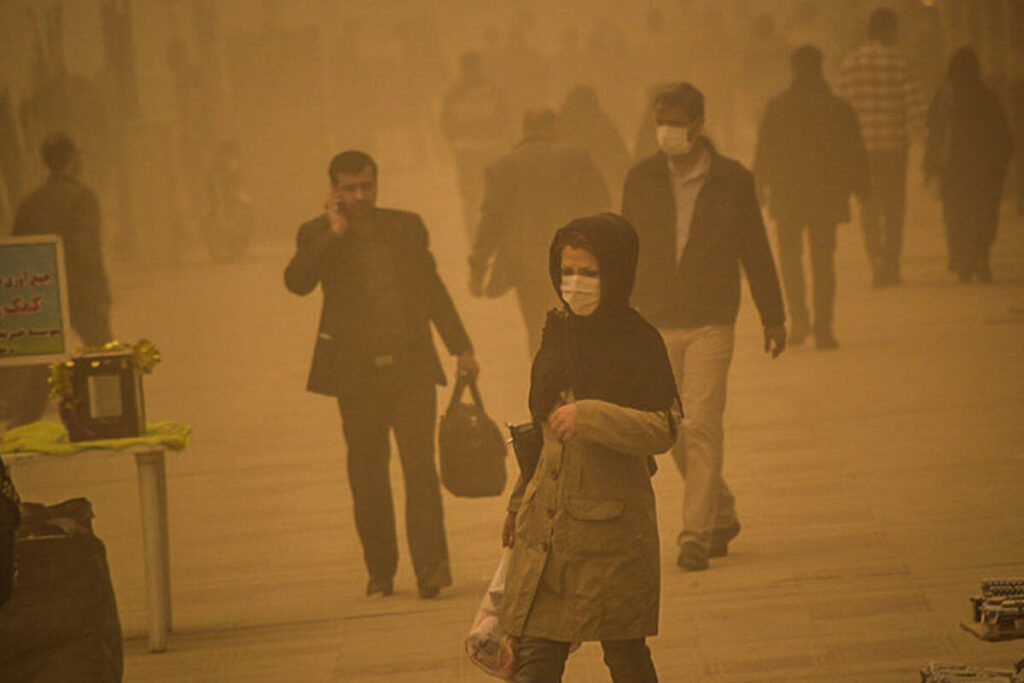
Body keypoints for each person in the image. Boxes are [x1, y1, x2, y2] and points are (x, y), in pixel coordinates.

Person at [284, 150, 478, 599]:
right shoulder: (317, 234)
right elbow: (297, 282)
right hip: (356, 377)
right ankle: (381, 572)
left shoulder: (406, 227)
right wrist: (334, 232)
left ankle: (431, 569)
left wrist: (461, 348)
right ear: (335, 191)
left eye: (367, 186)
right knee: (367, 474)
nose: (360, 196)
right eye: (350, 189)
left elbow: (432, 289)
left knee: (420, 469)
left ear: (376, 184)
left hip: (411, 368)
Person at [499, 213, 680, 683]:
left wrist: (591, 416)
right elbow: (543, 431)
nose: (575, 284)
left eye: (589, 273)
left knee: (626, 657)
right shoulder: (558, 332)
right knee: (535, 661)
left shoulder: (639, 341)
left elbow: (662, 429)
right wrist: (519, 502)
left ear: (615, 273)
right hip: (549, 530)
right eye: (567, 271)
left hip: (612, 537)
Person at [622, 82, 787, 572]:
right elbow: (624, 249)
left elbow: (755, 248)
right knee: (668, 427)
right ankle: (722, 509)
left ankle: (695, 534)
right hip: (655, 319)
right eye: (660, 122)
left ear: (697, 124)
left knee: (702, 422)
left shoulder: (732, 180)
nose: (666, 131)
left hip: (711, 318)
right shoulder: (641, 179)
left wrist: (773, 314)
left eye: (674, 122)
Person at [754, 45, 869, 348]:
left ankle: (799, 320)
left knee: (790, 261)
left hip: (788, 196)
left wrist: (759, 187)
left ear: (793, 69)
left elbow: (765, 151)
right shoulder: (837, 108)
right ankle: (823, 326)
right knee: (823, 261)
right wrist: (861, 187)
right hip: (825, 197)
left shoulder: (778, 107)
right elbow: (853, 150)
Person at [469, 108, 609, 357]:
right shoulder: (576, 158)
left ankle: (547, 377)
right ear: (553, 127)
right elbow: (601, 203)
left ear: (525, 129)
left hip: (527, 267)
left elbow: (491, 222)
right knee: (582, 326)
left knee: (539, 329)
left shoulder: (502, 168)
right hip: (576, 261)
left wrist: (477, 268)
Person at [0, 133, 113, 426]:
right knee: (104, 349)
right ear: (72, 159)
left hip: (44, 292)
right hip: (79, 289)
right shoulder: (82, 197)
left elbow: (18, 251)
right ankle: (110, 411)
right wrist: (100, 290)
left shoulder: (31, 202)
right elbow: (87, 250)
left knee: (43, 355)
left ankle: (26, 418)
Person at [837, 8, 925, 287]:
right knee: (894, 207)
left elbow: (842, 111)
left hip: (862, 152)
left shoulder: (850, 65)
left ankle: (875, 259)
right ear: (887, 30)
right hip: (894, 147)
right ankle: (892, 264)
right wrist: (921, 140)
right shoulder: (899, 63)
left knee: (869, 208)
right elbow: (914, 107)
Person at [923, 48, 1013, 284]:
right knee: (984, 214)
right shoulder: (987, 97)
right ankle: (981, 255)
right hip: (985, 169)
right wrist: (1001, 166)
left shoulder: (945, 98)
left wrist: (930, 166)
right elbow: (1002, 136)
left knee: (956, 215)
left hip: (953, 168)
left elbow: (933, 132)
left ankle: (963, 259)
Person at [441, 52, 511, 238]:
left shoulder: (454, 96)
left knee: (477, 196)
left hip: (473, 152)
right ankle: (479, 234)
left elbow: (447, 125)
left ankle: (479, 235)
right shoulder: (493, 92)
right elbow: (505, 120)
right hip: (481, 152)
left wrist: (455, 143)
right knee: (478, 195)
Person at [558, 85, 632, 194]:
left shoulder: (562, 127)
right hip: (603, 184)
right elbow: (620, 159)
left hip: (569, 185)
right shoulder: (604, 126)